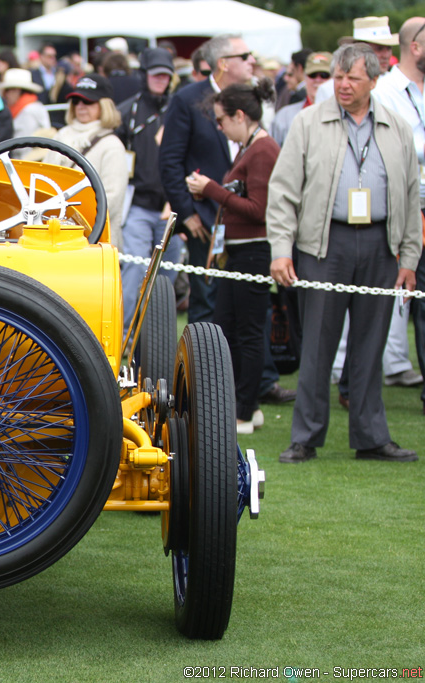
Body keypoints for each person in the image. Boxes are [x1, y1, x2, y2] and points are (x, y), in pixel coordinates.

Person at [267, 44, 421, 463]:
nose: (343, 85)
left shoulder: (397, 126)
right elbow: (282, 191)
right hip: (323, 245)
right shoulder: (308, 122)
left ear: (374, 80)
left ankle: (371, 438)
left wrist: (409, 258)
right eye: (338, 77)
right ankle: (305, 437)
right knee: (317, 342)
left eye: (352, 78)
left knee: (371, 344)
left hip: (380, 245)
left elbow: (409, 195)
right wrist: (281, 249)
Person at [185, 80, 279, 434]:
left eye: (222, 120)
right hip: (237, 252)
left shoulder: (263, 150)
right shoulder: (250, 148)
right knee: (230, 327)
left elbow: (258, 209)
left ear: (240, 116)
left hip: (254, 251)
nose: (220, 127)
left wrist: (212, 190)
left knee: (248, 332)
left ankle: (246, 408)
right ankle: (244, 405)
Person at [160, 33, 256, 325]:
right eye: (245, 56)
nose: (252, 61)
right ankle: (203, 368)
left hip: (244, 217)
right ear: (224, 64)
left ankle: (240, 369)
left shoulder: (250, 101)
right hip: (205, 221)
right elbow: (169, 161)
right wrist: (187, 214)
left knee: (244, 301)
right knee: (206, 300)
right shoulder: (187, 99)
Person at [375, 17, 425, 413]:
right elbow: (398, 147)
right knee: (407, 297)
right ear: (416, 47)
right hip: (406, 208)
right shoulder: (388, 90)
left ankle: (400, 364)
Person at [116, 47, 183, 334]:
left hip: (171, 208)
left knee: (169, 272)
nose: (161, 80)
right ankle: (124, 334)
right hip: (139, 205)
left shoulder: (179, 110)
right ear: (144, 75)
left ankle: (155, 335)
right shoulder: (126, 112)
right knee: (133, 269)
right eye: (156, 75)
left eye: (165, 76)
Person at [44, 74, 128, 249]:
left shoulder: (112, 145)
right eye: (76, 101)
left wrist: (70, 220)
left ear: (104, 106)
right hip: (53, 234)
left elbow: (112, 200)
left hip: (94, 240)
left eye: (88, 101)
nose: (81, 106)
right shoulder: (62, 135)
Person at [271, 51, 331, 145]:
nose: (318, 80)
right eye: (313, 75)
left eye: (324, 75)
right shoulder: (284, 116)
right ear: (305, 77)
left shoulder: (344, 115)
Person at [0, 68, 50, 158]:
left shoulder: (28, 111)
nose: (5, 94)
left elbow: (22, 147)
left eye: (7, 90)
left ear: (17, 90)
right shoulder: (32, 106)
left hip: (27, 162)